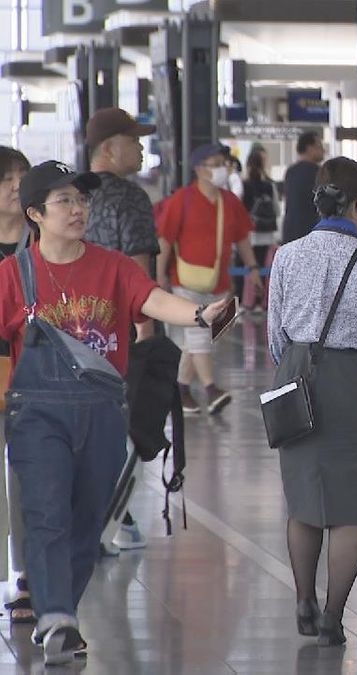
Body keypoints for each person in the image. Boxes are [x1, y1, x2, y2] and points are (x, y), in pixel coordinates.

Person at [0, 160, 232, 665]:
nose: (78, 209)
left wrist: (198, 314)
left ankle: (60, 611)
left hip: (104, 411)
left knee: (89, 521)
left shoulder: (113, 266)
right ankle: (57, 616)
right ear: (36, 213)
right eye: (64, 201)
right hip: (37, 415)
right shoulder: (12, 276)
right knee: (44, 514)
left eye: (81, 200)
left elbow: (150, 299)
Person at [267, 157, 357, 646]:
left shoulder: (286, 256)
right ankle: (332, 616)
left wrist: (298, 368)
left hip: (296, 376)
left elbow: (275, 337)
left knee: (304, 501)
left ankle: (303, 598)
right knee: (349, 509)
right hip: (354, 385)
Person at [83, 108, 161, 553]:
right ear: (109, 149)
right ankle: (110, 522)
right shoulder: (130, 198)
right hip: (117, 337)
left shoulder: (67, 196)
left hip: (69, 331)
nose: (141, 147)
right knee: (124, 431)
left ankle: (103, 519)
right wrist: (147, 336)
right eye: (134, 141)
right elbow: (138, 274)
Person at [156, 143, 262, 415]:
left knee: (203, 339)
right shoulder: (181, 200)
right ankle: (211, 388)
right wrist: (160, 278)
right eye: (214, 163)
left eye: (222, 163)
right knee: (198, 335)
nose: (221, 169)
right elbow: (165, 241)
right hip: (184, 281)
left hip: (221, 284)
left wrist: (252, 268)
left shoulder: (230, 202)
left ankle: (180, 390)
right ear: (199, 169)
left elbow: (242, 238)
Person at [0, 147, 31, 625]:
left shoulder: (43, 241)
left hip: (33, 377)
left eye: (22, 177)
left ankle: (29, 578)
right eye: (4, 178)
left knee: (31, 480)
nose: (13, 185)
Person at [240, 146, 278, 312]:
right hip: (267, 233)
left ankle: (247, 301)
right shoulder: (270, 186)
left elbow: (239, 210)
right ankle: (262, 302)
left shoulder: (244, 185)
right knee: (264, 268)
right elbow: (276, 209)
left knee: (248, 267)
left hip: (249, 235)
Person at [282, 131, 325, 244]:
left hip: (290, 234)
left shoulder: (290, 172)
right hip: (312, 235)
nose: (323, 151)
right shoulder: (319, 173)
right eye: (319, 147)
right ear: (309, 148)